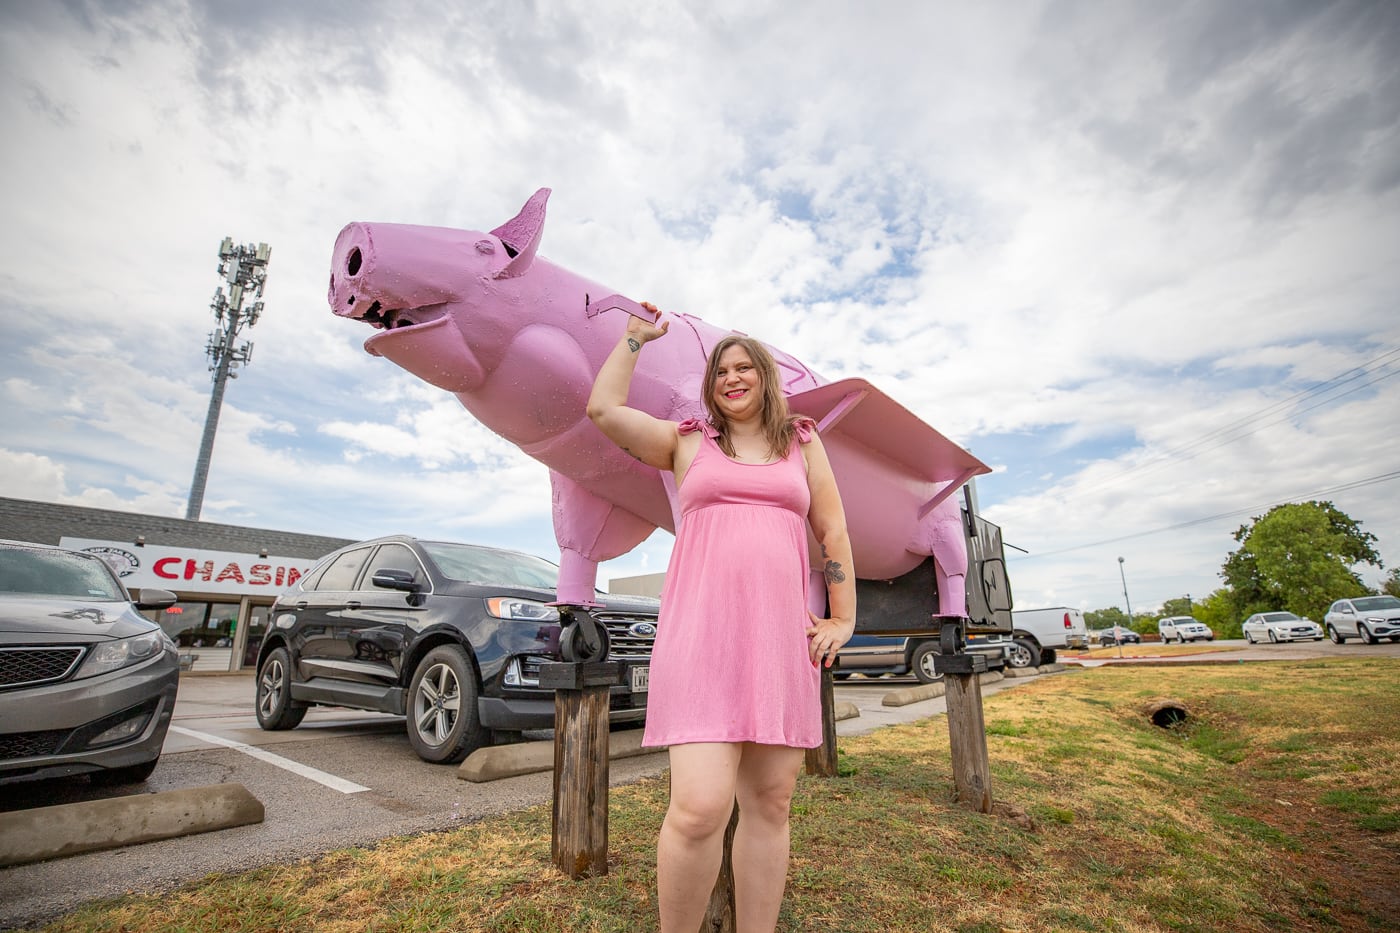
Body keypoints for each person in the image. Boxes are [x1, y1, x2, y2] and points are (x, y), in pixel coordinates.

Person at [586, 304, 857, 932]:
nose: (731, 378)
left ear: (765, 376)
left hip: (780, 643)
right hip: (700, 641)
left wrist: (842, 618)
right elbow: (604, 411)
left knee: (771, 801)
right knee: (698, 810)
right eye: (720, 371)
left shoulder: (803, 442)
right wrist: (634, 339)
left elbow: (833, 528)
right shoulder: (686, 440)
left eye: (744, 368)